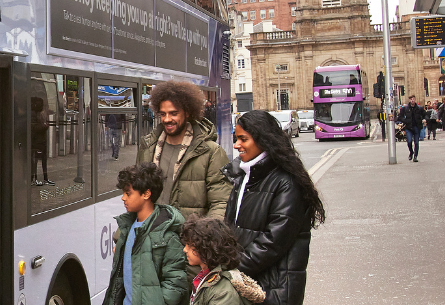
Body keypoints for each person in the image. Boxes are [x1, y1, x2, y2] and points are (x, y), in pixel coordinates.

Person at [225, 111, 326, 305]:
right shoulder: (243, 177)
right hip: (246, 283)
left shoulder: (287, 183)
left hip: (275, 290)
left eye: (243, 139)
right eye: (236, 138)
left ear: (263, 141)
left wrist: (231, 270)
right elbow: (229, 227)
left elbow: (272, 242)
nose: (237, 145)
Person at [138, 80, 231, 221]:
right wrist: (122, 237)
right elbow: (136, 195)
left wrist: (201, 239)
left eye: (173, 113)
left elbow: (220, 203)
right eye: (163, 114)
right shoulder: (148, 148)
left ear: (187, 112)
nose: (167, 119)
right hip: (151, 237)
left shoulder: (211, 152)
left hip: (189, 239)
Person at [104, 163, 191, 305]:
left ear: (146, 194)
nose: (123, 198)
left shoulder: (166, 234)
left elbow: (175, 282)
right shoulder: (127, 228)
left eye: (128, 193)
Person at [181, 217, 267, 305]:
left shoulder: (223, 292)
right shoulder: (205, 278)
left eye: (189, 245)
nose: (185, 249)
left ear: (205, 248)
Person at [31, 97, 54, 186]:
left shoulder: (39, 113)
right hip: (37, 141)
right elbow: (33, 128)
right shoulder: (33, 114)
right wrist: (44, 126)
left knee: (44, 159)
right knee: (35, 160)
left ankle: (45, 178)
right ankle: (34, 178)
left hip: (42, 140)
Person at [396, 96, 425, 162]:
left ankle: (415, 156)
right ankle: (411, 152)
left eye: (413, 99)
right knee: (409, 142)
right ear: (409, 100)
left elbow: (424, 115)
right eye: (411, 99)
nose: (412, 100)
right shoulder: (405, 108)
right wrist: (405, 121)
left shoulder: (419, 108)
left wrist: (424, 119)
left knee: (416, 143)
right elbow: (400, 117)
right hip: (408, 127)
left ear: (415, 100)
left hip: (416, 127)